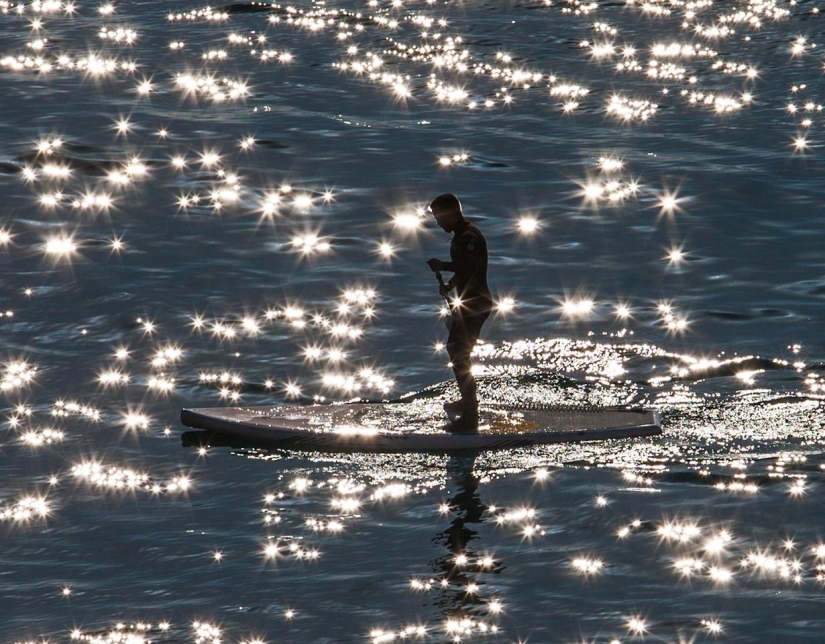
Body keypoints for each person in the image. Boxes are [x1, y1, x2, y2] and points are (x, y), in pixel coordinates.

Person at [426, 193, 493, 431]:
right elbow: (464, 270)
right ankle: (467, 403)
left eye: (439, 218)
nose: (438, 223)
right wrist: (451, 285)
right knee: (457, 352)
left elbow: (471, 268)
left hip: (476, 305)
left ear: (451, 213)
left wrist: (443, 266)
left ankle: (470, 416)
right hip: (469, 303)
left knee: (458, 353)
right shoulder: (460, 236)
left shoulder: (469, 237)